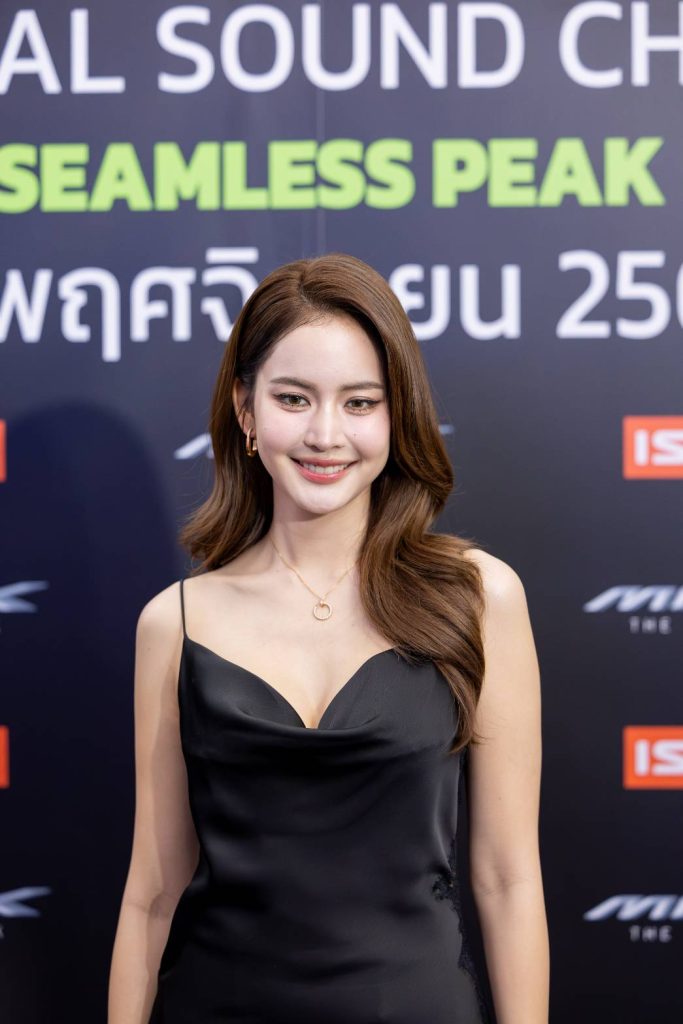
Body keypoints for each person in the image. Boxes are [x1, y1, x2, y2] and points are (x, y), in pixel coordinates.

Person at [107, 252, 549, 1023]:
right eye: (292, 398)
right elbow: (152, 893)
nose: (324, 433)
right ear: (246, 411)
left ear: (396, 415)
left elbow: (507, 879)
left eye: (359, 402)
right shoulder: (174, 622)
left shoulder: (478, 598)